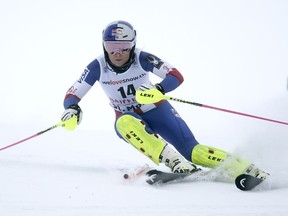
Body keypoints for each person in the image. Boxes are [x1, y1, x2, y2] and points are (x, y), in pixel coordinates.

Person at [61, 20, 268, 180]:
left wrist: (158, 89)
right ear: (103, 45)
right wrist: (72, 109)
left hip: (158, 111)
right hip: (129, 119)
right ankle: (174, 162)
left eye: (124, 47)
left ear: (132, 45)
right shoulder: (97, 66)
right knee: (124, 122)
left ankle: (248, 168)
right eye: (111, 47)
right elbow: (73, 93)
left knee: (194, 151)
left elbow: (176, 75)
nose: (117, 53)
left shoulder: (142, 58)